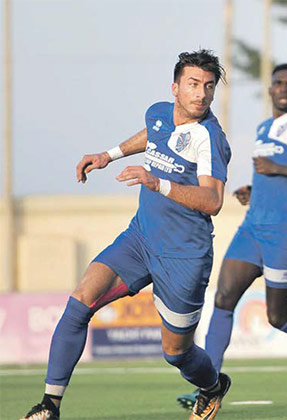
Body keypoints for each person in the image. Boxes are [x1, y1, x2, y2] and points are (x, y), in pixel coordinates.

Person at [20, 49, 232, 420]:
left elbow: (213, 200)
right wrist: (108, 154)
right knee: (80, 301)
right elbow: (154, 134)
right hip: (140, 239)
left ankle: (213, 386)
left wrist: (157, 183)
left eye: (209, 87)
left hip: (184, 255)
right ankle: (49, 406)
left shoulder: (209, 137)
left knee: (177, 354)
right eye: (194, 84)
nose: (201, 94)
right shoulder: (159, 112)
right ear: (175, 87)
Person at [176, 63, 287, 414]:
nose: (285, 87)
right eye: (278, 83)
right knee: (224, 298)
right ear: (270, 90)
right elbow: (277, 179)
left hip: (286, 230)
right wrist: (255, 190)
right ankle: (208, 387)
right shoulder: (263, 129)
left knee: (278, 316)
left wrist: (277, 170)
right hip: (253, 226)